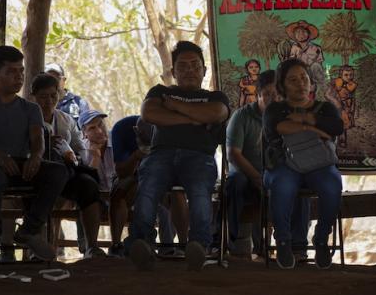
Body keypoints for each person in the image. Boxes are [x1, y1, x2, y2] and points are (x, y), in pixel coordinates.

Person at [126, 41, 230, 271]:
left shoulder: (216, 96)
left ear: (204, 70)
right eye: (182, 66)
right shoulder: (160, 91)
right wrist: (195, 119)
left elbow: (217, 113)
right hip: (160, 155)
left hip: (199, 157)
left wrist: (173, 106)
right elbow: (149, 113)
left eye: (195, 65)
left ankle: (199, 245)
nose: (189, 70)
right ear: (173, 72)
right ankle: (141, 242)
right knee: (147, 189)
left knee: (200, 194)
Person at [0, 46, 68, 270]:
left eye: (21, 71)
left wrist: (36, 156)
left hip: (20, 167)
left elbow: (37, 138)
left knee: (58, 171)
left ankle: (29, 230)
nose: (19, 76)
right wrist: (0, 156)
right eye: (12, 71)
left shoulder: (30, 108)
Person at [262, 58, 343, 270]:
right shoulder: (274, 109)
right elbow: (279, 127)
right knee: (282, 186)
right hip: (284, 164)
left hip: (319, 165)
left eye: (304, 78)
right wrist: (314, 129)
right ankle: (283, 242)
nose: (300, 83)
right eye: (293, 80)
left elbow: (336, 127)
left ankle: (322, 239)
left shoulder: (325, 107)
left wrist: (303, 119)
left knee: (333, 185)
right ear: (282, 86)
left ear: (311, 81)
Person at [221, 69, 309, 257]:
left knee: (299, 181)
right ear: (257, 95)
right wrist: (256, 177)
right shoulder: (242, 116)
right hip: (246, 173)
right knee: (235, 182)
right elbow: (233, 154)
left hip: (277, 174)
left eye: (277, 94)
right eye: (268, 94)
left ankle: (297, 247)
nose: (273, 99)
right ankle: (226, 243)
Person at [30, 73, 106, 259]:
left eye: (53, 96)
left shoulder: (66, 120)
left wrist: (71, 154)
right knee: (37, 193)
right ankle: (37, 251)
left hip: (65, 173)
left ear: (59, 95)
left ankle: (91, 246)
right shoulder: (25, 118)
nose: (49, 101)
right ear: (33, 97)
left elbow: (80, 151)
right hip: (34, 174)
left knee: (88, 185)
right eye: (43, 97)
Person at [108, 115, 188, 257]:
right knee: (118, 192)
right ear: (136, 131)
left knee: (173, 195)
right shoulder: (121, 129)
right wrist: (136, 156)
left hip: (159, 176)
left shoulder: (170, 132)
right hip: (130, 175)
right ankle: (116, 245)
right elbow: (121, 172)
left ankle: (175, 245)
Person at [286, 20, 326, 93]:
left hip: (313, 75)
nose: (301, 34)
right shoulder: (294, 48)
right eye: (298, 32)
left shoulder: (316, 48)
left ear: (309, 34)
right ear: (294, 35)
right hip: (299, 74)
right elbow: (291, 63)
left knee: (316, 66)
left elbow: (319, 66)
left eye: (304, 32)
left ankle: (321, 91)